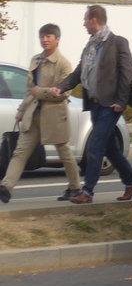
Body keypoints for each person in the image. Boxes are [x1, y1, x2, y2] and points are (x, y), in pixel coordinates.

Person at [51, 5, 132, 204]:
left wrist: (121, 101)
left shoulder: (117, 43)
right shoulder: (90, 46)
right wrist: (61, 87)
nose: (83, 24)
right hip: (94, 105)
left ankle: (88, 192)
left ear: (93, 20)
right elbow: (78, 73)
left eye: (85, 20)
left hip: (110, 105)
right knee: (111, 149)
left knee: (95, 146)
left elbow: (127, 73)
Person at [0, 23, 83, 204]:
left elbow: (64, 92)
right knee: (20, 151)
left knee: (64, 153)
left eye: (49, 36)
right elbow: (29, 90)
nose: (44, 40)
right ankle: (6, 187)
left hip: (54, 116)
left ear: (57, 39)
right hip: (33, 114)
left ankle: (75, 187)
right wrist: (21, 110)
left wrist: (40, 92)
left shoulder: (63, 64)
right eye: (42, 36)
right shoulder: (36, 60)